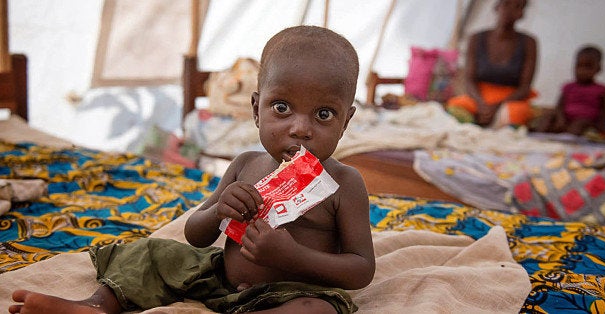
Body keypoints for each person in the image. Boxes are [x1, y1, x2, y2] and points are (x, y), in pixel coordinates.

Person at [8, 25, 375, 314]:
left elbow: (361, 269)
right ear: (255, 108)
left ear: (345, 122)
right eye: (281, 108)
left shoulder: (344, 183)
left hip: (296, 290)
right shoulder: (245, 165)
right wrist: (219, 210)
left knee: (320, 308)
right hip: (219, 279)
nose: (300, 128)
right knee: (151, 253)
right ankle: (96, 306)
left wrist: (293, 257)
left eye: (323, 114)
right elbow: (196, 235)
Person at [446, 0, 537, 128]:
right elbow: (469, 80)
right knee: (456, 107)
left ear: (522, 13)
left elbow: (525, 87)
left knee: (516, 113)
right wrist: (482, 104)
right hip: (480, 97)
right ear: (497, 7)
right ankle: (476, 128)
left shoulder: (529, 43)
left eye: (518, 6)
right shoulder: (476, 38)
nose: (510, 10)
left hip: (509, 100)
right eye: (506, 4)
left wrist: (497, 106)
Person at [533, 45, 605, 135]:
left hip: (586, 122)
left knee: (580, 123)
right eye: (579, 66)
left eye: (588, 67)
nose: (582, 71)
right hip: (566, 119)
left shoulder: (600, 90)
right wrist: (560, 119)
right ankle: (538, 136)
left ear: (598, 69)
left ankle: (568, 138)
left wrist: (601, 127)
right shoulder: (568, 87)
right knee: (547, 116)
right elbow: (559, 107)